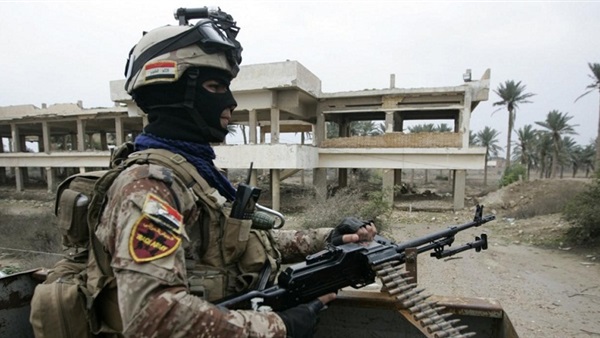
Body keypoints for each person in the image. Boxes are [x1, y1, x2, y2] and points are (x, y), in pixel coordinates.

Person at [89, 7, 377, 338]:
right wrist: (280, 327)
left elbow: (238, 246)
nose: (230, 102)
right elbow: (154, 317)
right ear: (171, 90)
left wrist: (323, 239)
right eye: (215, 86)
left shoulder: (194, 173)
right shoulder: (150, 187)